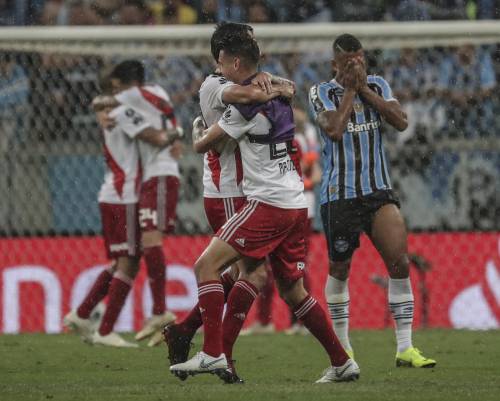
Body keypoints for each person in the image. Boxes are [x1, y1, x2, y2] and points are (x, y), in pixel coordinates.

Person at [170, 33, 359, 383]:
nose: (219, 68)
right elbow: (281, 88)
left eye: (223, 62)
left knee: (206, 266)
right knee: (293, 290)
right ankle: (342, 361)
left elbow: (204, 145)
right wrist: (276, 85)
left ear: (235, 63)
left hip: (268, 203)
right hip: (296, 202)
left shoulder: (246, 105)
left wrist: (198, 132)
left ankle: (213, 353)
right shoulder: (279, 96)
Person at [163, 21, 295, 383]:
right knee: (252, 273)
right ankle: (219, 355)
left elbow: (282, 89)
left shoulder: (242, 80)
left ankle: (188, 334)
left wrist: (279, 84)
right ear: (228, 55)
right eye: (249, 43)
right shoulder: (214, 85)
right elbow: (256, 96)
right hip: (228, 191)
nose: (256, 50)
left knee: (243, 273)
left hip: (240, 190)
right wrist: (277, 86)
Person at [309, 33, 436, 368]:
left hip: (378, 191)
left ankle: (405, 348)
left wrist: (363, 88)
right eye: (349, 61)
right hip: (340, 195)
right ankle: (344, 348)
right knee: (339, 268)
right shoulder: (321, 92)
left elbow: (401, 121)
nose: (356, 64)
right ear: (335, 63)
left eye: (360, 58)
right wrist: (351, 90)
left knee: (399, 262)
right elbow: (335, 129)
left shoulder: (378, 84)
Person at [63, 62, 180, 347]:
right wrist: (179, 133)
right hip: (123, 194)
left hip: (121, 193)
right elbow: (157, 137)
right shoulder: (123, 109)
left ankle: (82, 314)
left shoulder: (120, 107)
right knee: (128, 262)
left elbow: (101, 103)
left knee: (124, 261)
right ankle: (105, 330)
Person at [109, 60, 184, 347]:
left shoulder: (129, 97)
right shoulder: (159, 91)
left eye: (115, 86)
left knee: (151, 240)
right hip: (158, 175)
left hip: (160, 174)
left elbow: (104, 102)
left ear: (124, 84)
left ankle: (160, 310)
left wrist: (104, 106)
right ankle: (160, 316)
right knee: (147, 242)